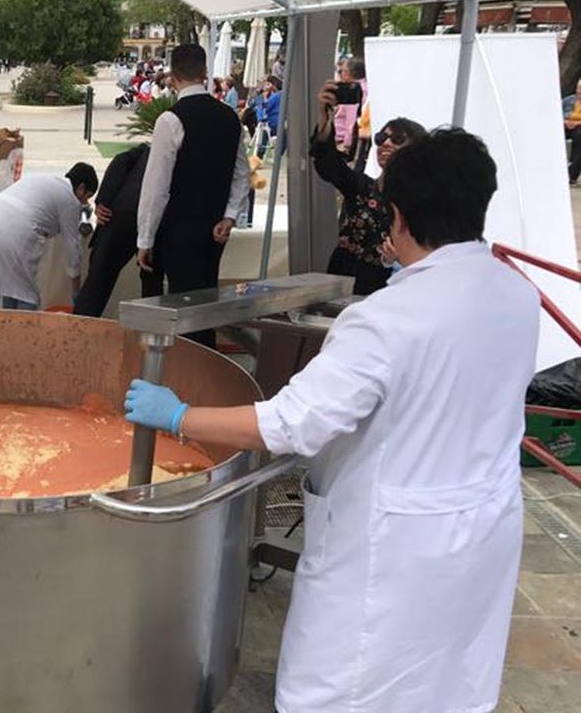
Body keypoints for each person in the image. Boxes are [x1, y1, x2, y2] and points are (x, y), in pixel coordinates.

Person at [125, 127, 537, 713]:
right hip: (481, 526)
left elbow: (290, 425)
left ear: (396, 217)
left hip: (392, 546)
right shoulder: (515, 292)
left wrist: (180, 415)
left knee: (342, 689)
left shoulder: (386, 319)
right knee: (447, 682)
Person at [137, 44, 250, 348]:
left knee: (181, 304)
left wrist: (144, 240)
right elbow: (242, 173)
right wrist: (229, 215)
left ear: (172, 77)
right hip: (215, 228)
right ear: (204, 73)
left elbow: (156, 187)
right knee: (205, 302)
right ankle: (207, 366)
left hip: (179, 228)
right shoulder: (231, 119)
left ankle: (188, 369)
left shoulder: (170, 120)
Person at [312, 80, 427, 295]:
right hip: (342, 277)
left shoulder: (421, 202)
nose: (386, 143)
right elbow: (327, 164)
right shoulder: (362, 187)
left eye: (398, 139)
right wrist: (325, 115)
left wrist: (399, 260)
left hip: (385, 286)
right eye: (382, 137)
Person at [0, 163, 98, 311]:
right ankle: (25, 331)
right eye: (86, 197)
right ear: (81, 188)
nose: (85, 203)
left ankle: (10, 329)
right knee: (26, 295)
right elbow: (73, 251)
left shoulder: (45, 180)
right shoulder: (70, 199)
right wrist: (76, 293)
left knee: (11, 286)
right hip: (14, 231)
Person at [73, 144, 163, 317]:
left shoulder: (146, 150)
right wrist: (103, 201)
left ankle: (79, 328)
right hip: (147, 218)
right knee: (152, 283)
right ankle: (153, 336)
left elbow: (121, 160)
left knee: (98, 280)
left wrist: (104, 200)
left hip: (122, 214)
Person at [333, 58, 367, 154]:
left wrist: (346, 146)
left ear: (348, 73)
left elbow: (351, 121)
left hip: (344, 143)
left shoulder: (353, 91)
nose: (340, 75)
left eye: (341, 71)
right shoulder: (364, 88)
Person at [564, 79, 581, 184]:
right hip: (565, 125)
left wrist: (577, 123)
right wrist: (564, 121)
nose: (580, 92)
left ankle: (571, 175)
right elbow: (556, 111)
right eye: (579, 89)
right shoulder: (568, 100)